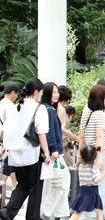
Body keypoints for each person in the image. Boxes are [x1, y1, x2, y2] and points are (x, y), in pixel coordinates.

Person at [0, 77, 50, 220]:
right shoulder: (39, 109)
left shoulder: (16, 107)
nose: (41, 95)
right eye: (40, 93)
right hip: (31, 154)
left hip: (16, 155)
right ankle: (30, 217)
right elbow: (41, 133)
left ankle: (8, 212)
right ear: (35, 92)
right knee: (35, 188)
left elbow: (5, 131)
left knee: (23, 185)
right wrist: (46, 153)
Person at [79, 85, 105, 219]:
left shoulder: (86, 113)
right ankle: (92, 215)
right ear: (102, 99)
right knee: (100, 184)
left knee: (104, 184)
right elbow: (100, 137)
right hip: (100, 152)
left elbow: (81, 137)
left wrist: (80, 157)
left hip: (87, 153)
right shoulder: (100, 114)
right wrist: (100, 156)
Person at [40, 82, 70, 219]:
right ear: (46, 94)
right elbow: (50, 132)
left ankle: (52, 212)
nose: (56, 95)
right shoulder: (50, 110)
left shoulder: (46, 108)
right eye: (53, 92)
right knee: (60, 183)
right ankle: (48, 212)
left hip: (52, 152)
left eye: (57, 92)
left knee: (53, 184)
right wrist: (54, 150)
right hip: (54, 153)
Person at [70, 145, 105, 220]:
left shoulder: (81, 166)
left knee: (78, 211)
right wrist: (104, 172)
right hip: (93, 192)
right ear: (94, 157)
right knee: (99, 211)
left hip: (82, 192)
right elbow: (96, 180)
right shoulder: (93, 168)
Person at [0, 84, 19, 192]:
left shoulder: (1, 103)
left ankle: (15, 186)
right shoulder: (10, 106)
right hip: (6, 138)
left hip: (2, 139)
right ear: (12, 92)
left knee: (9, 162)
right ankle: (13, 187)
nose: (17, 96)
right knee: (9, 162)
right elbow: (12, 125)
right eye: (17, 94)